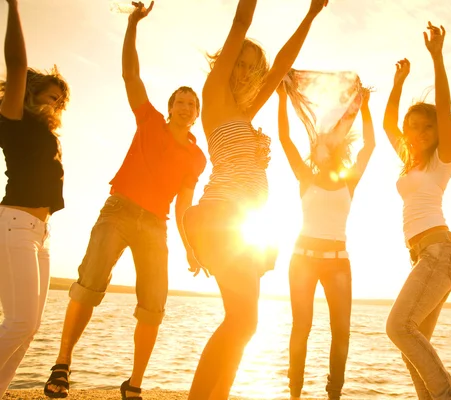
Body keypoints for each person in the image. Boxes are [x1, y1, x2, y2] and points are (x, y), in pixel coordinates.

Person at [43, 2, 206, 398]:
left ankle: (134, 385)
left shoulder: (196, 157)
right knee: (90, 284)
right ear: (169, 108)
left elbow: (184, 205)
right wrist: (133, 24)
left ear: (196, 114)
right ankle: (62, 365)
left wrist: (191, 246)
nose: (185, 106)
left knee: (154, 305)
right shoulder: (149, 120)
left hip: (155, 224)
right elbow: (129, 73)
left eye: (192, 103)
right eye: (180, 101)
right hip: (118, 210)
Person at [182, 1, 328, 399]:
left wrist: (311, 15)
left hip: (244, 227)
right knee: (244, 320)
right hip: (220, 217)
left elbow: (281, 65)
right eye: (239, 62)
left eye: (251, 66)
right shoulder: (213, 96)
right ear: (224, 64)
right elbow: (242, 19)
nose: (244, 71)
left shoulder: (245, 112)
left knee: (244, 323)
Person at [383, 22, 451, 400]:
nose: (416, 133)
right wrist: (399, 81)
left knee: (398, 328)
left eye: (425, 127)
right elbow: (388, 123)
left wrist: (437, 57)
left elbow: (444, 108)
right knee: (411, 347)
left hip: (439, 252)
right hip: (423, 255)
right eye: (411, 127)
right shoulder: (409, 161)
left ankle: (448, 396)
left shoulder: (441, 160)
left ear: (437, 132)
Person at [277, 77, 374, 400]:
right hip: (302, 259)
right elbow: (286, 140)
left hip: (338, 264)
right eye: (317, 143)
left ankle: (334, 395)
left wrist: (367, 108)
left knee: (341, 332)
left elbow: (370, 147)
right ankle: (294, 394)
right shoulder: (305, 178)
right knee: (301, 327)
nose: (321, 147)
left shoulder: (349, 181)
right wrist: (281, 98)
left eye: (326, 143)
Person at [0, 0, 70, 396]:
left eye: (60, 99)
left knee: (28, 329)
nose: (55, 103)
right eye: (49, 95)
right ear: (30, 93)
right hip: (14, 226)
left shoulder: (48, 135)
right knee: (20, 324)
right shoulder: (14, 120)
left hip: (40, 234)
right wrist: (12, 5)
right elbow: (14, 65)